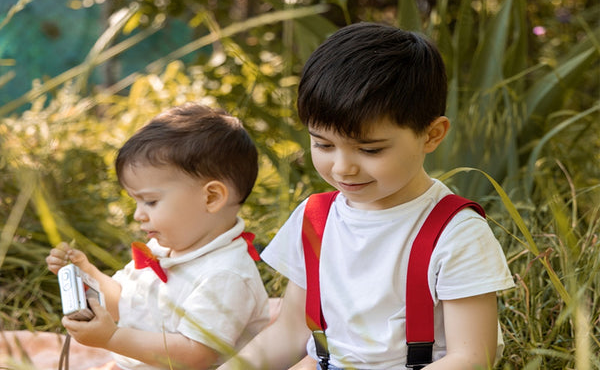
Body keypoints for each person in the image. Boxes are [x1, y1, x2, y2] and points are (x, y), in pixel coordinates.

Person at [217, 22, 515, 370]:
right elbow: (290, 331)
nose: (343, 168)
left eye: (370, 150)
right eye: (323, 144)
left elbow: (473, 358)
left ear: (431, 135)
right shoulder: (316, 218)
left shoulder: (454, 232)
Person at [46, 103, 271, 370]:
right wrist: (87, 272)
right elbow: (122, 301)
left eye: (150, 202)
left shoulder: (226, 275)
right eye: (136, 202)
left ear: (211, 197)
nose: (139, 215)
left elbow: (197, 355)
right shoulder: (165, 249)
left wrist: (113, 338)